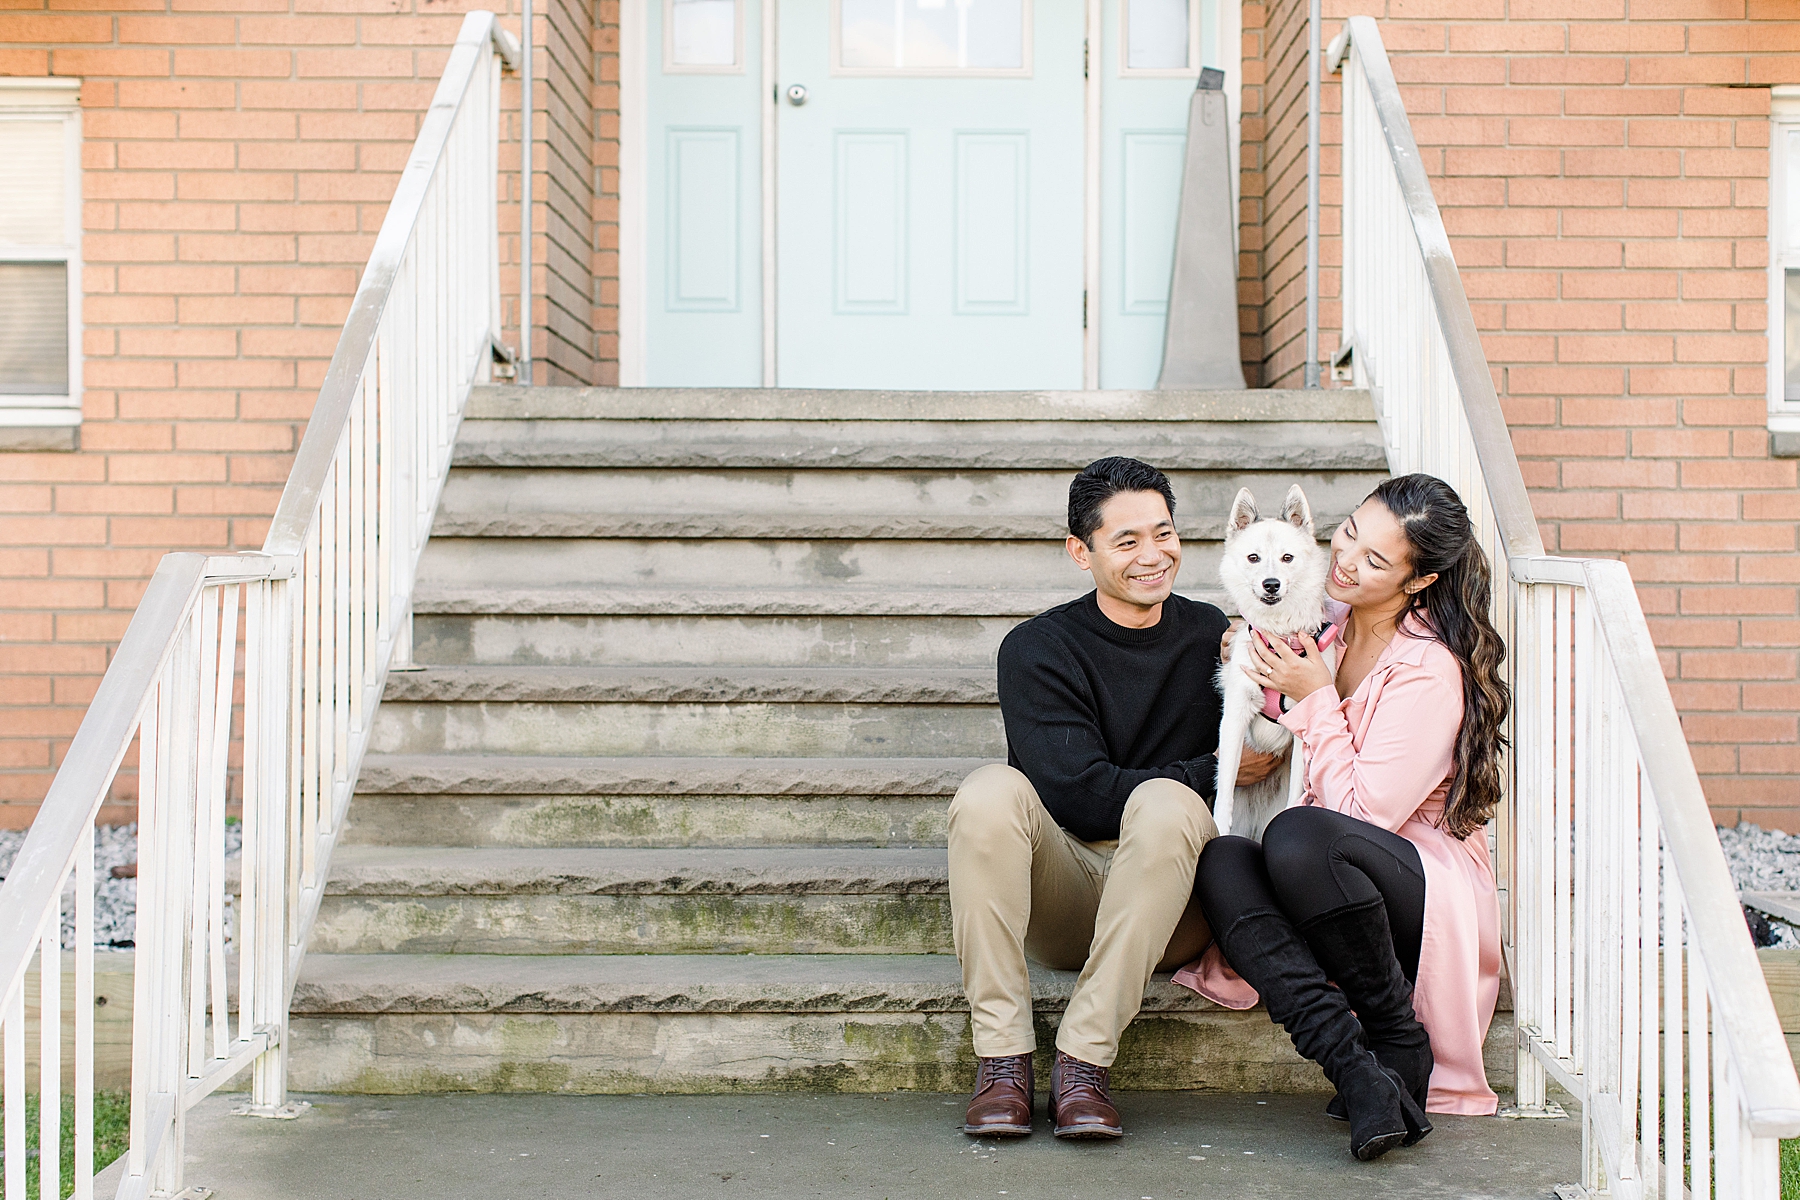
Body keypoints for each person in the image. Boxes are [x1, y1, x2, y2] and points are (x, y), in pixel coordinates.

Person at [1177, 473, 1509, 1162]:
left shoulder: (1425, 668)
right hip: (1327, 868)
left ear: (1420, 582)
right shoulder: (1326, 616)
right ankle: (1355, 1069)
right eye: (1351, 532)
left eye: (1378, 560)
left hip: (1414, 877)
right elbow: (1261, 605)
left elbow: (1367, 814)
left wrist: (1317, 696)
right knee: (1223, 859)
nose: (1350, 560)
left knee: (1297, 835)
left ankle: (1399, 1038)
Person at [950, 456, 1281, 1142]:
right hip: (1067, 890)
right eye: (1127, 541)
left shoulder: (1215, 636)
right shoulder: (1038, 648)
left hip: (1174, 902)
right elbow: (1079, 795)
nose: (1152, 556)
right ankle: (1003, 1064)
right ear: (1082, 551)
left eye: (1163, 534)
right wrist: (1215, 768)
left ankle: (1082, 1065)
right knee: (988, 792)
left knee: (1164, 803)